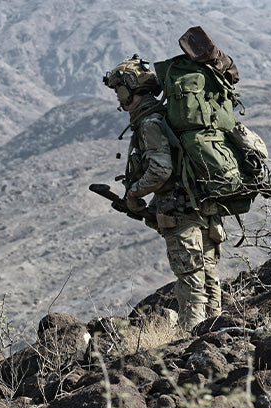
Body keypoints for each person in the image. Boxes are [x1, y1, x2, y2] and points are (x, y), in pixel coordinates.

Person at [102, 55, 223, 334]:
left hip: (181, 214)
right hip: (204, 208)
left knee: (191, 282)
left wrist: (134, 192)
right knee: (208, 277)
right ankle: (217, 333)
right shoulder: (167, 115)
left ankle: (190, 341)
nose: (119, 98)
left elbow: (160, 169)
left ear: (127, 90)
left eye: (119, 91)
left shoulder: (149, 123)